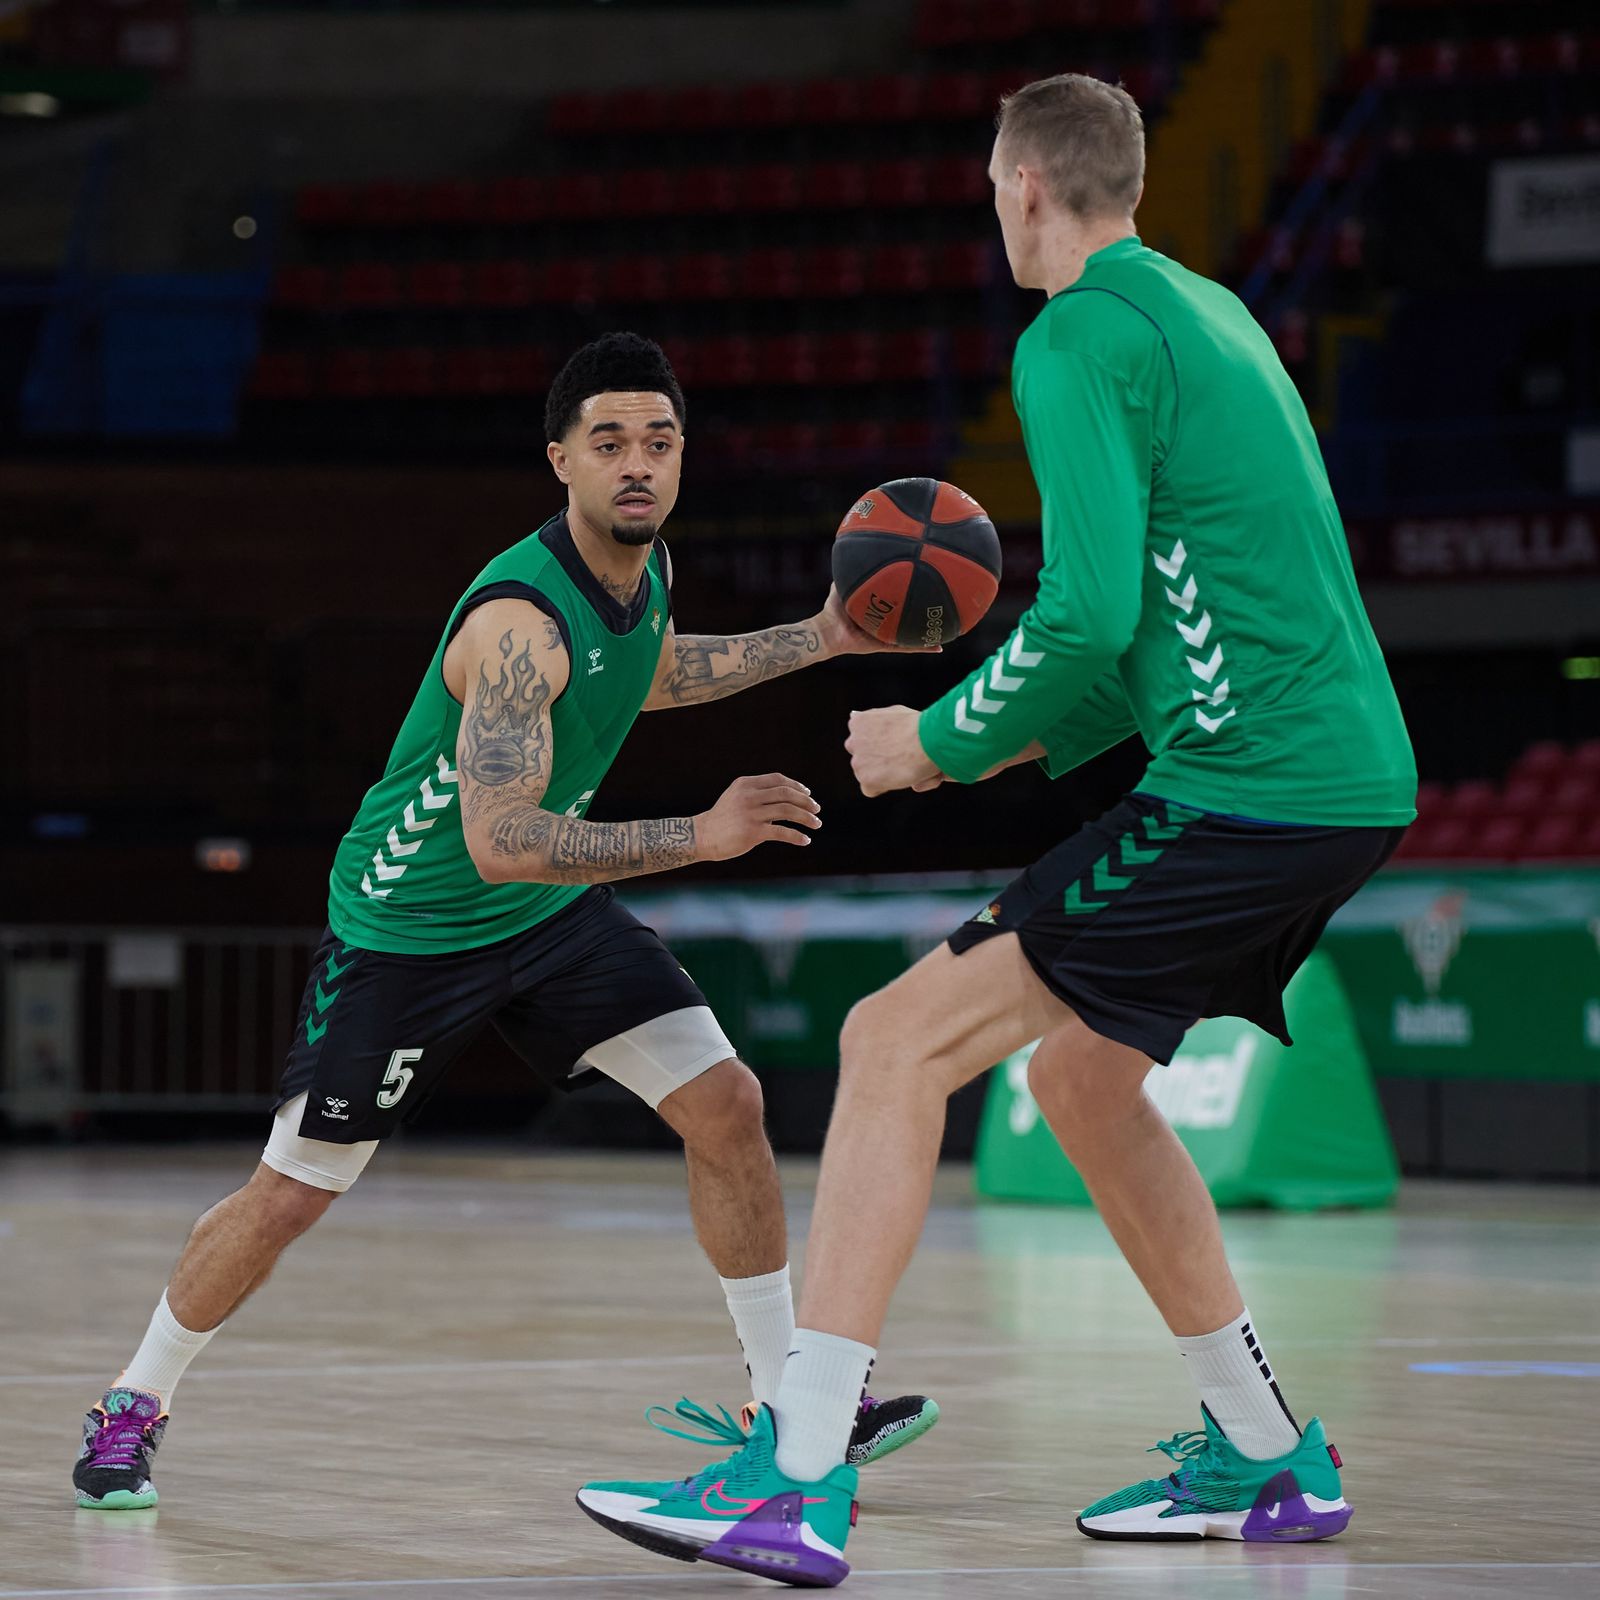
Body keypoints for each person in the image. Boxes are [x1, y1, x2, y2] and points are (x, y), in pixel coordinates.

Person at [577, 75, 1416, 1587]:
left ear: (1026, 184)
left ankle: (795, 1469)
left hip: (1250, 784)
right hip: (1333, 781)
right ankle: (1272, 1458)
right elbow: (1151, 633)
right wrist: (968, 761)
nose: (991, 211)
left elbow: (1089, 615)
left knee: (896, 1039)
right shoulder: (1210, 316)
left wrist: (934, 736)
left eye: (988, 187)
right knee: (1089, 1085)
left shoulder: (1077, 335)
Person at [71, 332, 939, 1512]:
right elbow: (501, 837)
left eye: (659, 442)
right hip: (409, 929)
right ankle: (136, 1399)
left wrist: (824, 637)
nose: (638, 464)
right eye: (609, 444)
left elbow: (651, 673)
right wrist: (700, 831)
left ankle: (791, 1404)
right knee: (294, 1189)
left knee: (726, 1103)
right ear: (560, 462)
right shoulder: (517, 623)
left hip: (546, 916)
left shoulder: (648, 570)